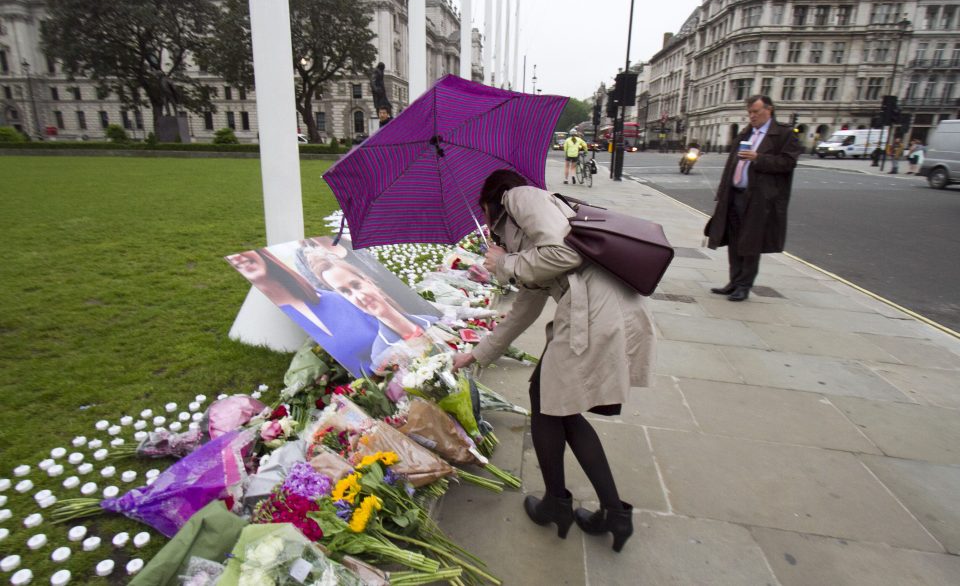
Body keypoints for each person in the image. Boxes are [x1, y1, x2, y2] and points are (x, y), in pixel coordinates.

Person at [451, 170, 656, 552]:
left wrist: (505, 264)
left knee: (550, 405)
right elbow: (524, 308)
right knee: (555, 406)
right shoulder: (517, 231)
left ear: (489, 199)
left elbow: (566, 253)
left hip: (598, 309)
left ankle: (561, 504)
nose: (482, 223)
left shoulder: (520, 198)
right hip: (593, 309)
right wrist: (477, 354)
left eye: (482, 212)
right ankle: (606, 511)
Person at [705, 95, 801, 302]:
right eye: (749, 112)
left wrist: (759, 158)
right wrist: (722, 193)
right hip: (735, 195)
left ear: (770, 110)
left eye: (756, 112)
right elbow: (731, 165)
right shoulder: (746, 133)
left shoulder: (784, 134)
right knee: (733, 240)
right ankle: (734, 281)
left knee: (750, 243)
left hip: (759, 199)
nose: (752, 116)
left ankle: (744, 286)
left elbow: (788, 163)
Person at [226, 249, 378, 375]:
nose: (236, 256)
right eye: (230, 256)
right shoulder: (274, 325)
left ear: (262, 253)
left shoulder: (335, 299)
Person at [308, 255, 444, 371]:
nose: (359, 296)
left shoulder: (433, 320)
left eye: (356, 285)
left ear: (368, 281)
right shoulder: (381, 357)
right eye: (346, 292)